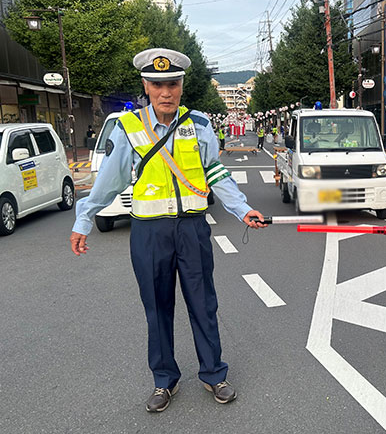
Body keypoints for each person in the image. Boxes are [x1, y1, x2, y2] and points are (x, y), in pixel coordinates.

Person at [69, 48, 267, 413]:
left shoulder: (200, 125)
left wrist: (242, 209)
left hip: (193, 230)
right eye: (158, 84)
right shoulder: (131, 128)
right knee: (157, 309)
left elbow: (215, 173)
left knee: (203, 304)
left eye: (172, 84)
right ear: (146, 85)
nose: (166, 92)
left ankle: (213, 374)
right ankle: (164, 380)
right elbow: (109, 182)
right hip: (148, 234)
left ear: (181, 85)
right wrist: (85, 219)